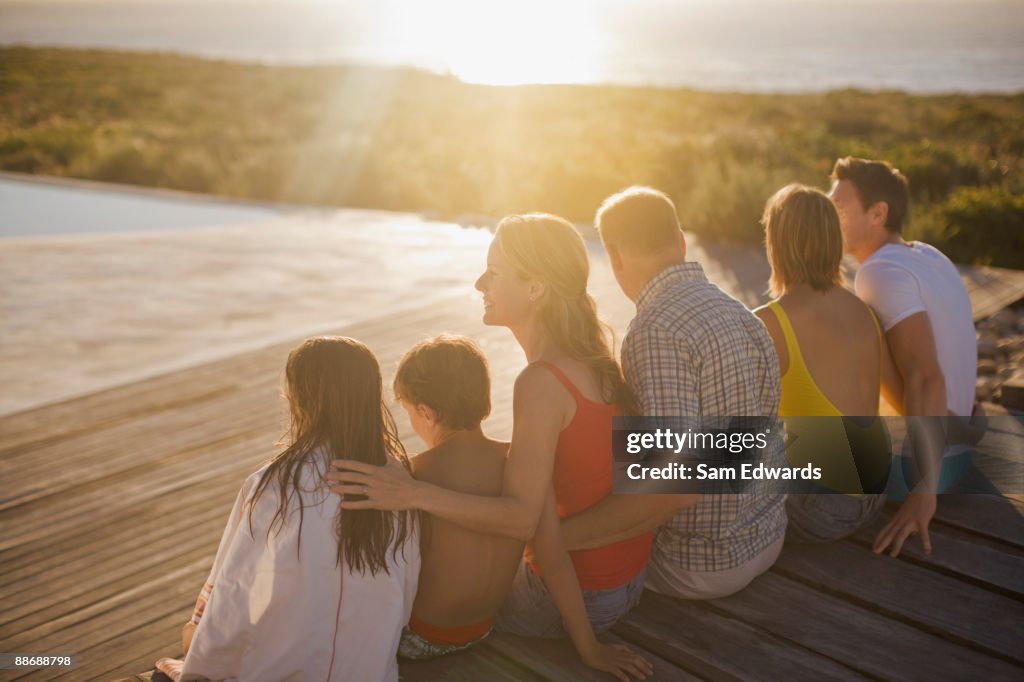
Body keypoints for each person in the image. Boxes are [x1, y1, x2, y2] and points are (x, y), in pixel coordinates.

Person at [330, 214, 653, 681]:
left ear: (536, 289)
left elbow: (523, 519)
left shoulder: (541, 381)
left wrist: (413, 492)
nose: (481, 281)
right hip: (625, 580)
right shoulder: (593, 362)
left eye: (494, 272)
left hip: (572, 598)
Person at [559, 186, 787, 600]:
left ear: (615, 255)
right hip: (769, 537)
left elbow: (676, 483)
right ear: (681, 243)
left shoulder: (655, 331)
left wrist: (549, 538)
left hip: (701, 565)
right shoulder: (739, 311)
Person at [169, 337, 420, 681]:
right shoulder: (395, 480)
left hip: (281, 673)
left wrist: (198, 664)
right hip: (369, 670)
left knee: (192, 637)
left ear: (300, 397)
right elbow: (405, 594)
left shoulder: (276, 484)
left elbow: (234, 590)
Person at [830, 157, 977, 557]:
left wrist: (921, 493)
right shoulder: (928, 254)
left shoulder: (880, 273)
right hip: (959, 450)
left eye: (839, 206)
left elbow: (926, 376)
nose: (829, 214)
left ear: (878, 213)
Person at [752, 184, 892, 543]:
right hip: (875, 491)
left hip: (825, 507)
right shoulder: (860, 307)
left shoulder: (770, 321)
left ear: (776, 243)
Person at [391, 334, 521, 660]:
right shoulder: (515, 462)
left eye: (409, 411)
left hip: (423, 637)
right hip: (483, 626)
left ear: (426, 412)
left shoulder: (417, 473)